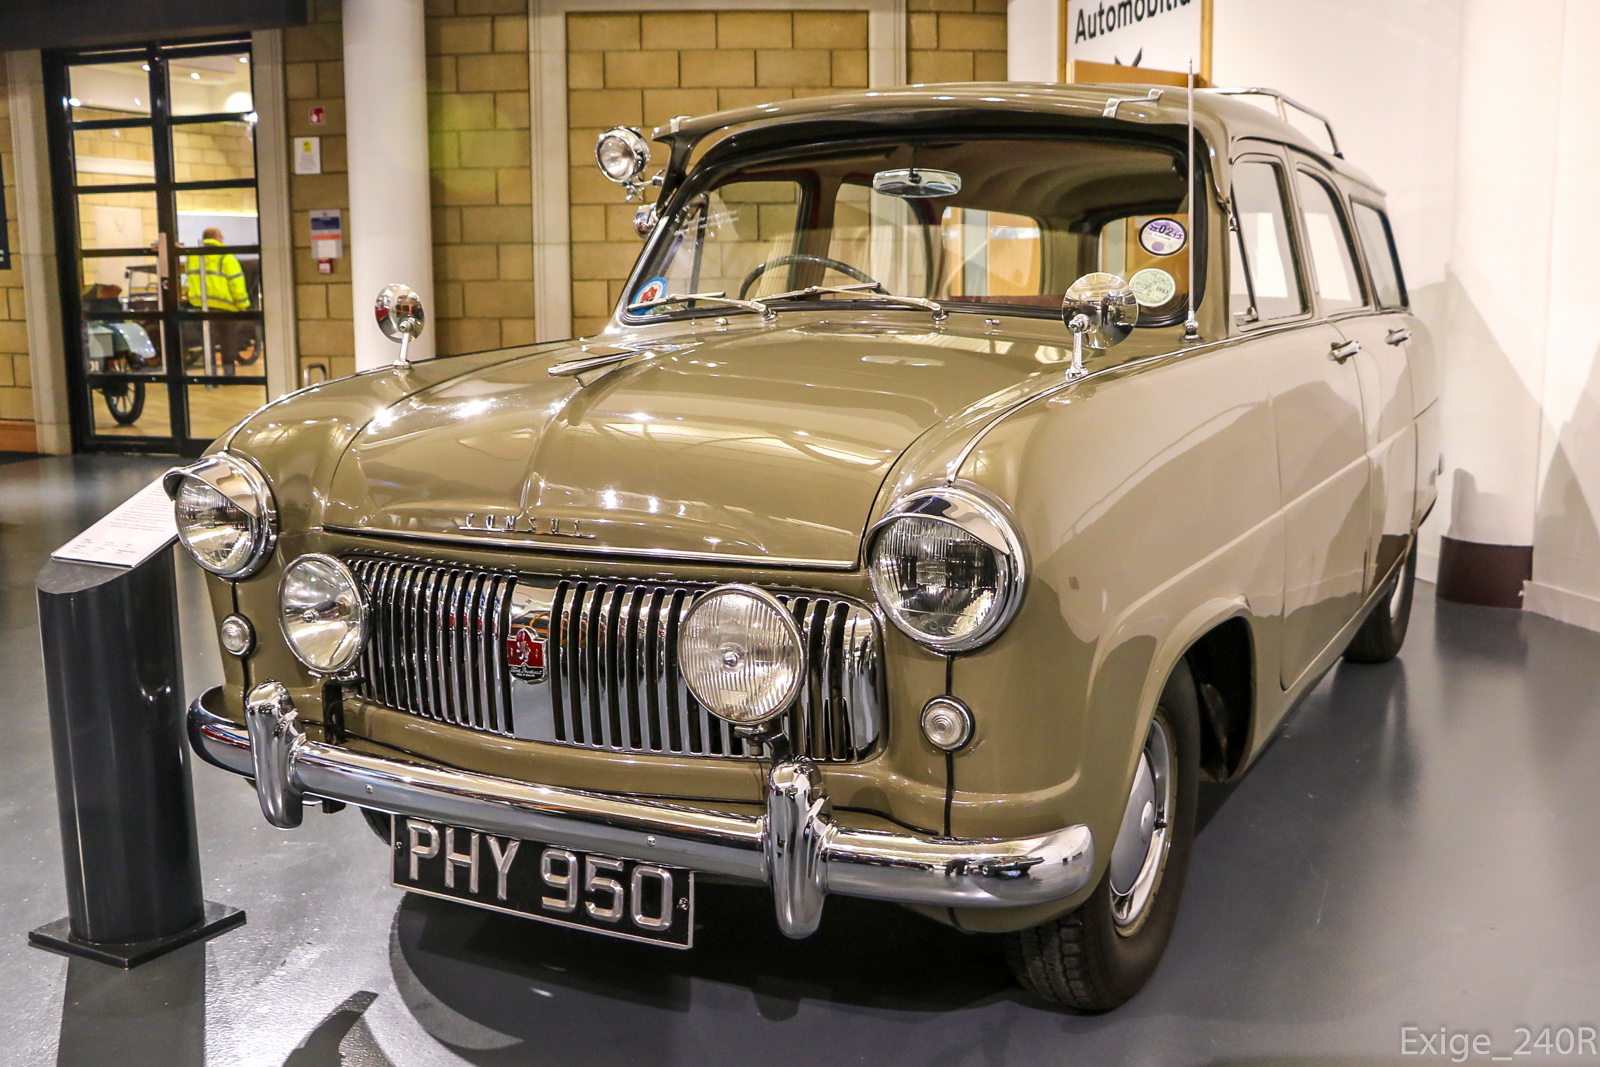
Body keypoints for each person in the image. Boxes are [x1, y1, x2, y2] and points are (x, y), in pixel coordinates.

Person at [183, 227, 250, 376]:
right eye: (221, 235)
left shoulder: (193, 257)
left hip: (203, 307)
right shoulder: (226, 257)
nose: (223, 238)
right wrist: (242, 305)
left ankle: (211, 375)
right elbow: (236, 283)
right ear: (216, 237)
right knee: (228, 342)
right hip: (226, 308)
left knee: (208, 343)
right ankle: (229, 375)